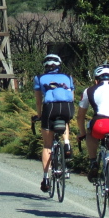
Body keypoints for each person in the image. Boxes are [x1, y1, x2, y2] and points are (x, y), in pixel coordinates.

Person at [76, 64, 109, 212]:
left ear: (96, 80)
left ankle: (93, 162)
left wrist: (81, 133)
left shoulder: (89, 90)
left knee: (90, 131)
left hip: (100, 124)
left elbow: (80, 116)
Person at [33, 53, 76, 193]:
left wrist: (39, 115)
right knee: (65, 121)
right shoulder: (68, 77)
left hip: (50, 107)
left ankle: (46, 178)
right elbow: (72, 97)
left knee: (47, 145)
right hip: (67, 107)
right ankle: (67, 143)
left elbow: (39, 100)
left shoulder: (39, 78)